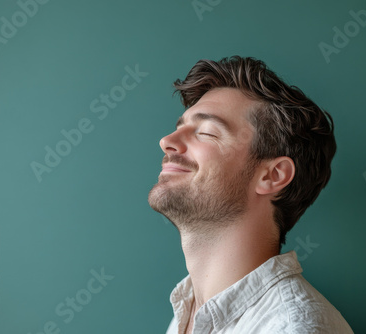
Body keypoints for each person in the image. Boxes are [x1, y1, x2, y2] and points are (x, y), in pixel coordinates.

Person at [148, 56, 353, 334]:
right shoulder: (188, 312)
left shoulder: (294, 328)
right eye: (179, 126)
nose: (166, 141)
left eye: (207, 132)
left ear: (272, 176)